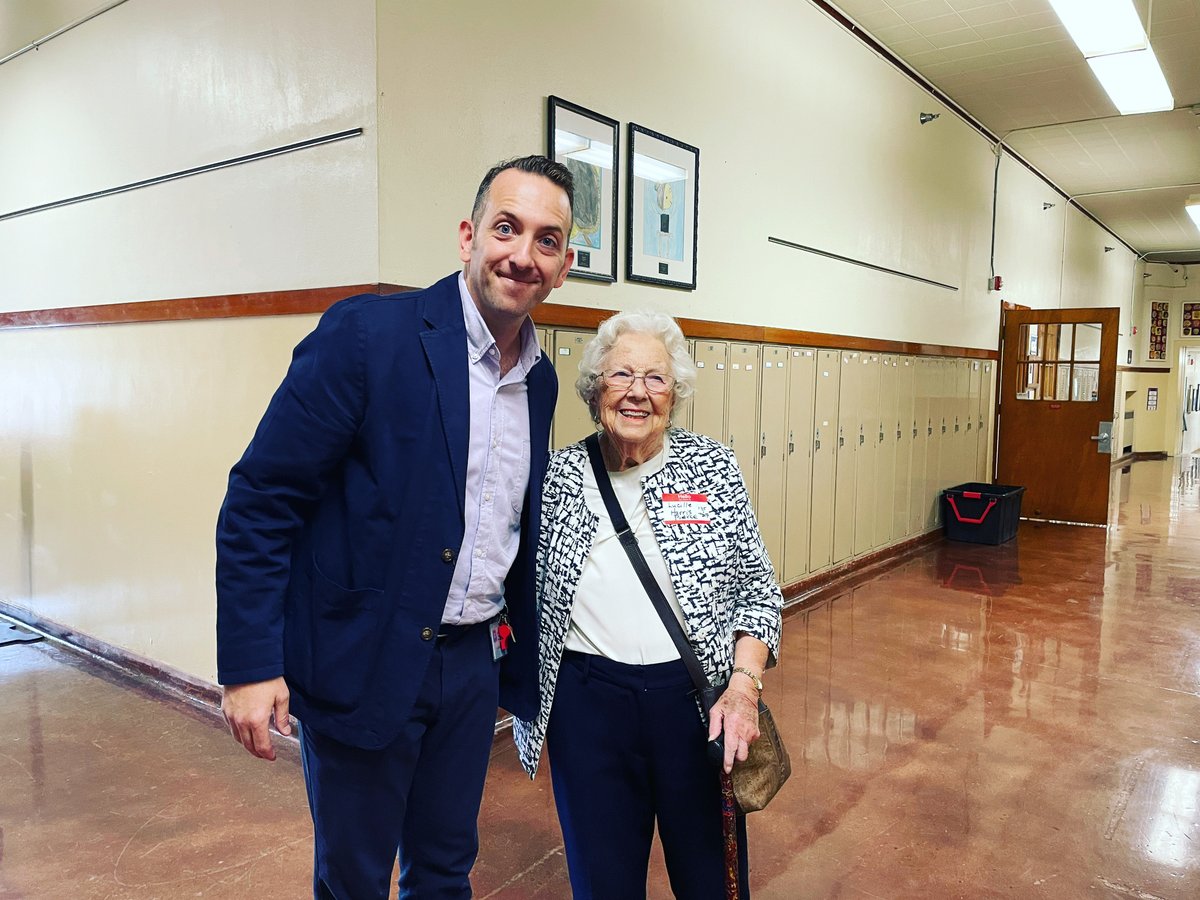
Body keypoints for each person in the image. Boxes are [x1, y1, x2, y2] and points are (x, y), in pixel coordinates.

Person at [215, 155, 575, 899]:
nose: (522, 254)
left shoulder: (539, 379)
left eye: (546, 240)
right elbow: (262, 499)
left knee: (445, 872)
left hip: (470, 666)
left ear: (564, 265)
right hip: (364, 658)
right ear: (469, 235)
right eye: (507, 228)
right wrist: (251, 664)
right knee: (352, 880)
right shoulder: (368, 337)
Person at [513, 311, 784, 899]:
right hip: (587, 708)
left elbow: (758, 594)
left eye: (656, 379)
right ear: (595, 389)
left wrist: (743, 689)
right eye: (621, 375)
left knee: (710, 880)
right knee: (602, 881)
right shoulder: (557, 477)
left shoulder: (712, 469)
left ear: (676, 392)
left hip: (695, 704)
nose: (638, 392)